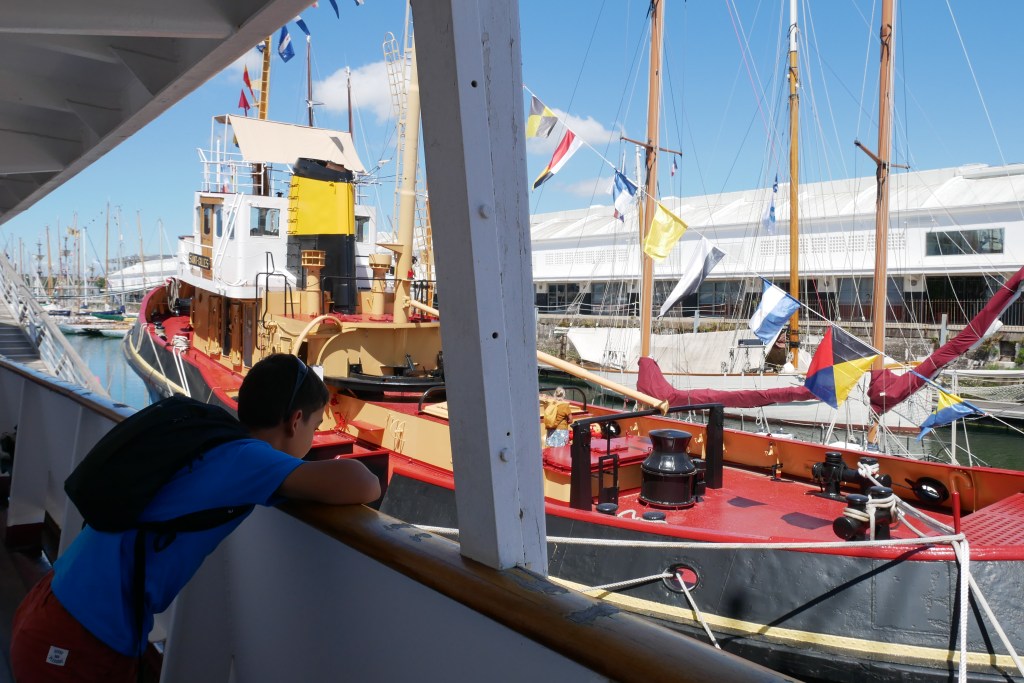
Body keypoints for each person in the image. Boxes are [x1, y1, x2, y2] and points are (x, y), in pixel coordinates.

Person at [10, 354, 380, 682]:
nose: (313, 436)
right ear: (295, 420)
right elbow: (364, 484)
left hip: (54, 603)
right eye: (315, 425)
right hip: (78, 638)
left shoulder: (213, 436)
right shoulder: (246, 460)